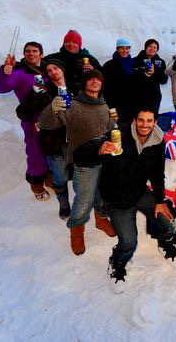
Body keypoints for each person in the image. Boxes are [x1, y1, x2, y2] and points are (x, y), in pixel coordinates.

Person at [76, 104, 176, 286]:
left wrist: (160, 201)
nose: (144, 125)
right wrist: (98, 149)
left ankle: (164, 243)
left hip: (139, 191)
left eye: (149, 121)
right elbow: (79, 155)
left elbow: (157, 173)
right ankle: (117, 262)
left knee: (168, 225)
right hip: (117, 198)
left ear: (155, 122)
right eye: (140, 120)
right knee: (129, 242)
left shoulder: (157, 140)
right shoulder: (118, 136)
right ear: (134, 121)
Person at [39, 69, 117, 255]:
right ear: (84, 83)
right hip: (84, 162)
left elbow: (109, 131)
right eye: (91, 79)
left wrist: (115, 126)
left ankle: (101, 219)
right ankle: (77, 231)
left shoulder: (104, 106)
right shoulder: (72, 105)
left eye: (98, 79)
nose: (95, 82)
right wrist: (52, 109)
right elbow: (46, 124)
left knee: (103, 194)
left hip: (104, 159)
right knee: (84, 198)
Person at [0, 41, 49, 200]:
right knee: (35, 152)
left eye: (34, 51)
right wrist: (5, 71)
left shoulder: (48, 69)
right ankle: (36, 185)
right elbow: (0, 86)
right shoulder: (19, 72)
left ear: (41, 54)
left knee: (53, 149)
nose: (31, 53)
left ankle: (49, 177)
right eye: (27, 51)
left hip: (51, 118)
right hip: (32, 118)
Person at [16, 59, 70, 218]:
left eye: (56, 68)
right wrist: (34, 93)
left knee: (81, 174)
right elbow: (22, 113)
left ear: (62, 69)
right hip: (55, 142)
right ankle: (64, 204)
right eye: (49, 70)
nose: (53, 72)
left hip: (76, 140)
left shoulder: (75, 85)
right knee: (59, 176)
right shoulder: (43, 90)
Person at [43, 30, 101, 96]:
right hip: (59, 93)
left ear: (79, 45)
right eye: (67, 42)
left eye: (74, 42)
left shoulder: (88, 58)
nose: (70, 45)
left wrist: (93, 70)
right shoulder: (55, 57)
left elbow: (101, 75)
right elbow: (39, 63)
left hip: (83, 94)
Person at [102, 38, 138, 124]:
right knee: (119, 128)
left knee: (131, 128)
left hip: (132, 105)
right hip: (116, 105)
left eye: (127, 48)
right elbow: (105, 88)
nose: (125, 51)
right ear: (117, 49)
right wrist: (110, 106)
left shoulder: (134, 64)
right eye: (122, 48)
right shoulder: (109, 65)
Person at [132, 38, 168, 111]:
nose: (152, 49)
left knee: (152, 120)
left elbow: (164, 80)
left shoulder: (161, 62)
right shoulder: (135, 61)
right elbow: (132, 78)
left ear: (157, 49)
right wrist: (144, 73)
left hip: (154, 97)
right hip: (139, 97)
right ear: (146, 47)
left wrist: (154, 73)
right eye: (150, 46)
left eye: (155, 47)